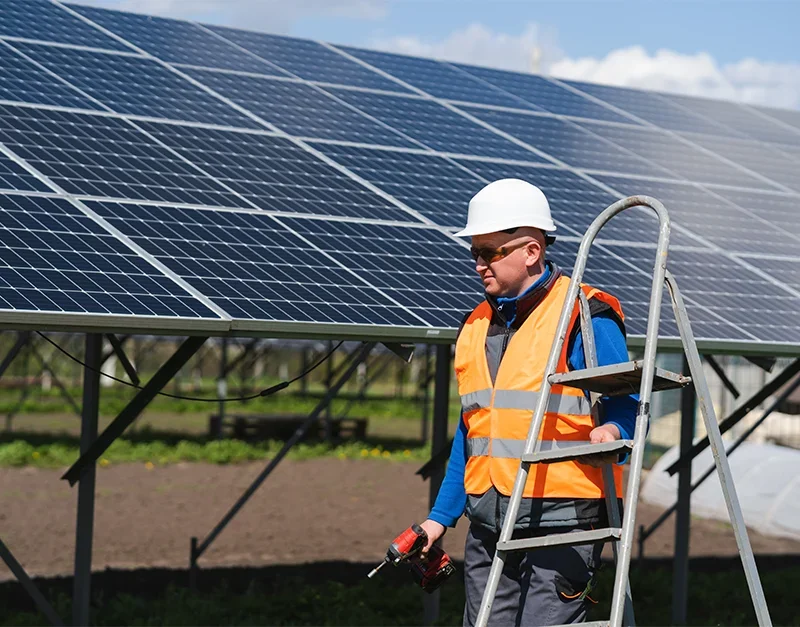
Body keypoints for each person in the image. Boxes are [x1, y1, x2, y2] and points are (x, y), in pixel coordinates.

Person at [419, 178, 639, 627]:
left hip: (563, 521)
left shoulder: (584, 314)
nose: (478, 264)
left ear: (531, 251)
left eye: (490, 252)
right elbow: (473, 432)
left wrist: (614, 432)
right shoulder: (475, 324)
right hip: (488, 522)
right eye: (474, 253)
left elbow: (626, 402)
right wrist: (440, 518)